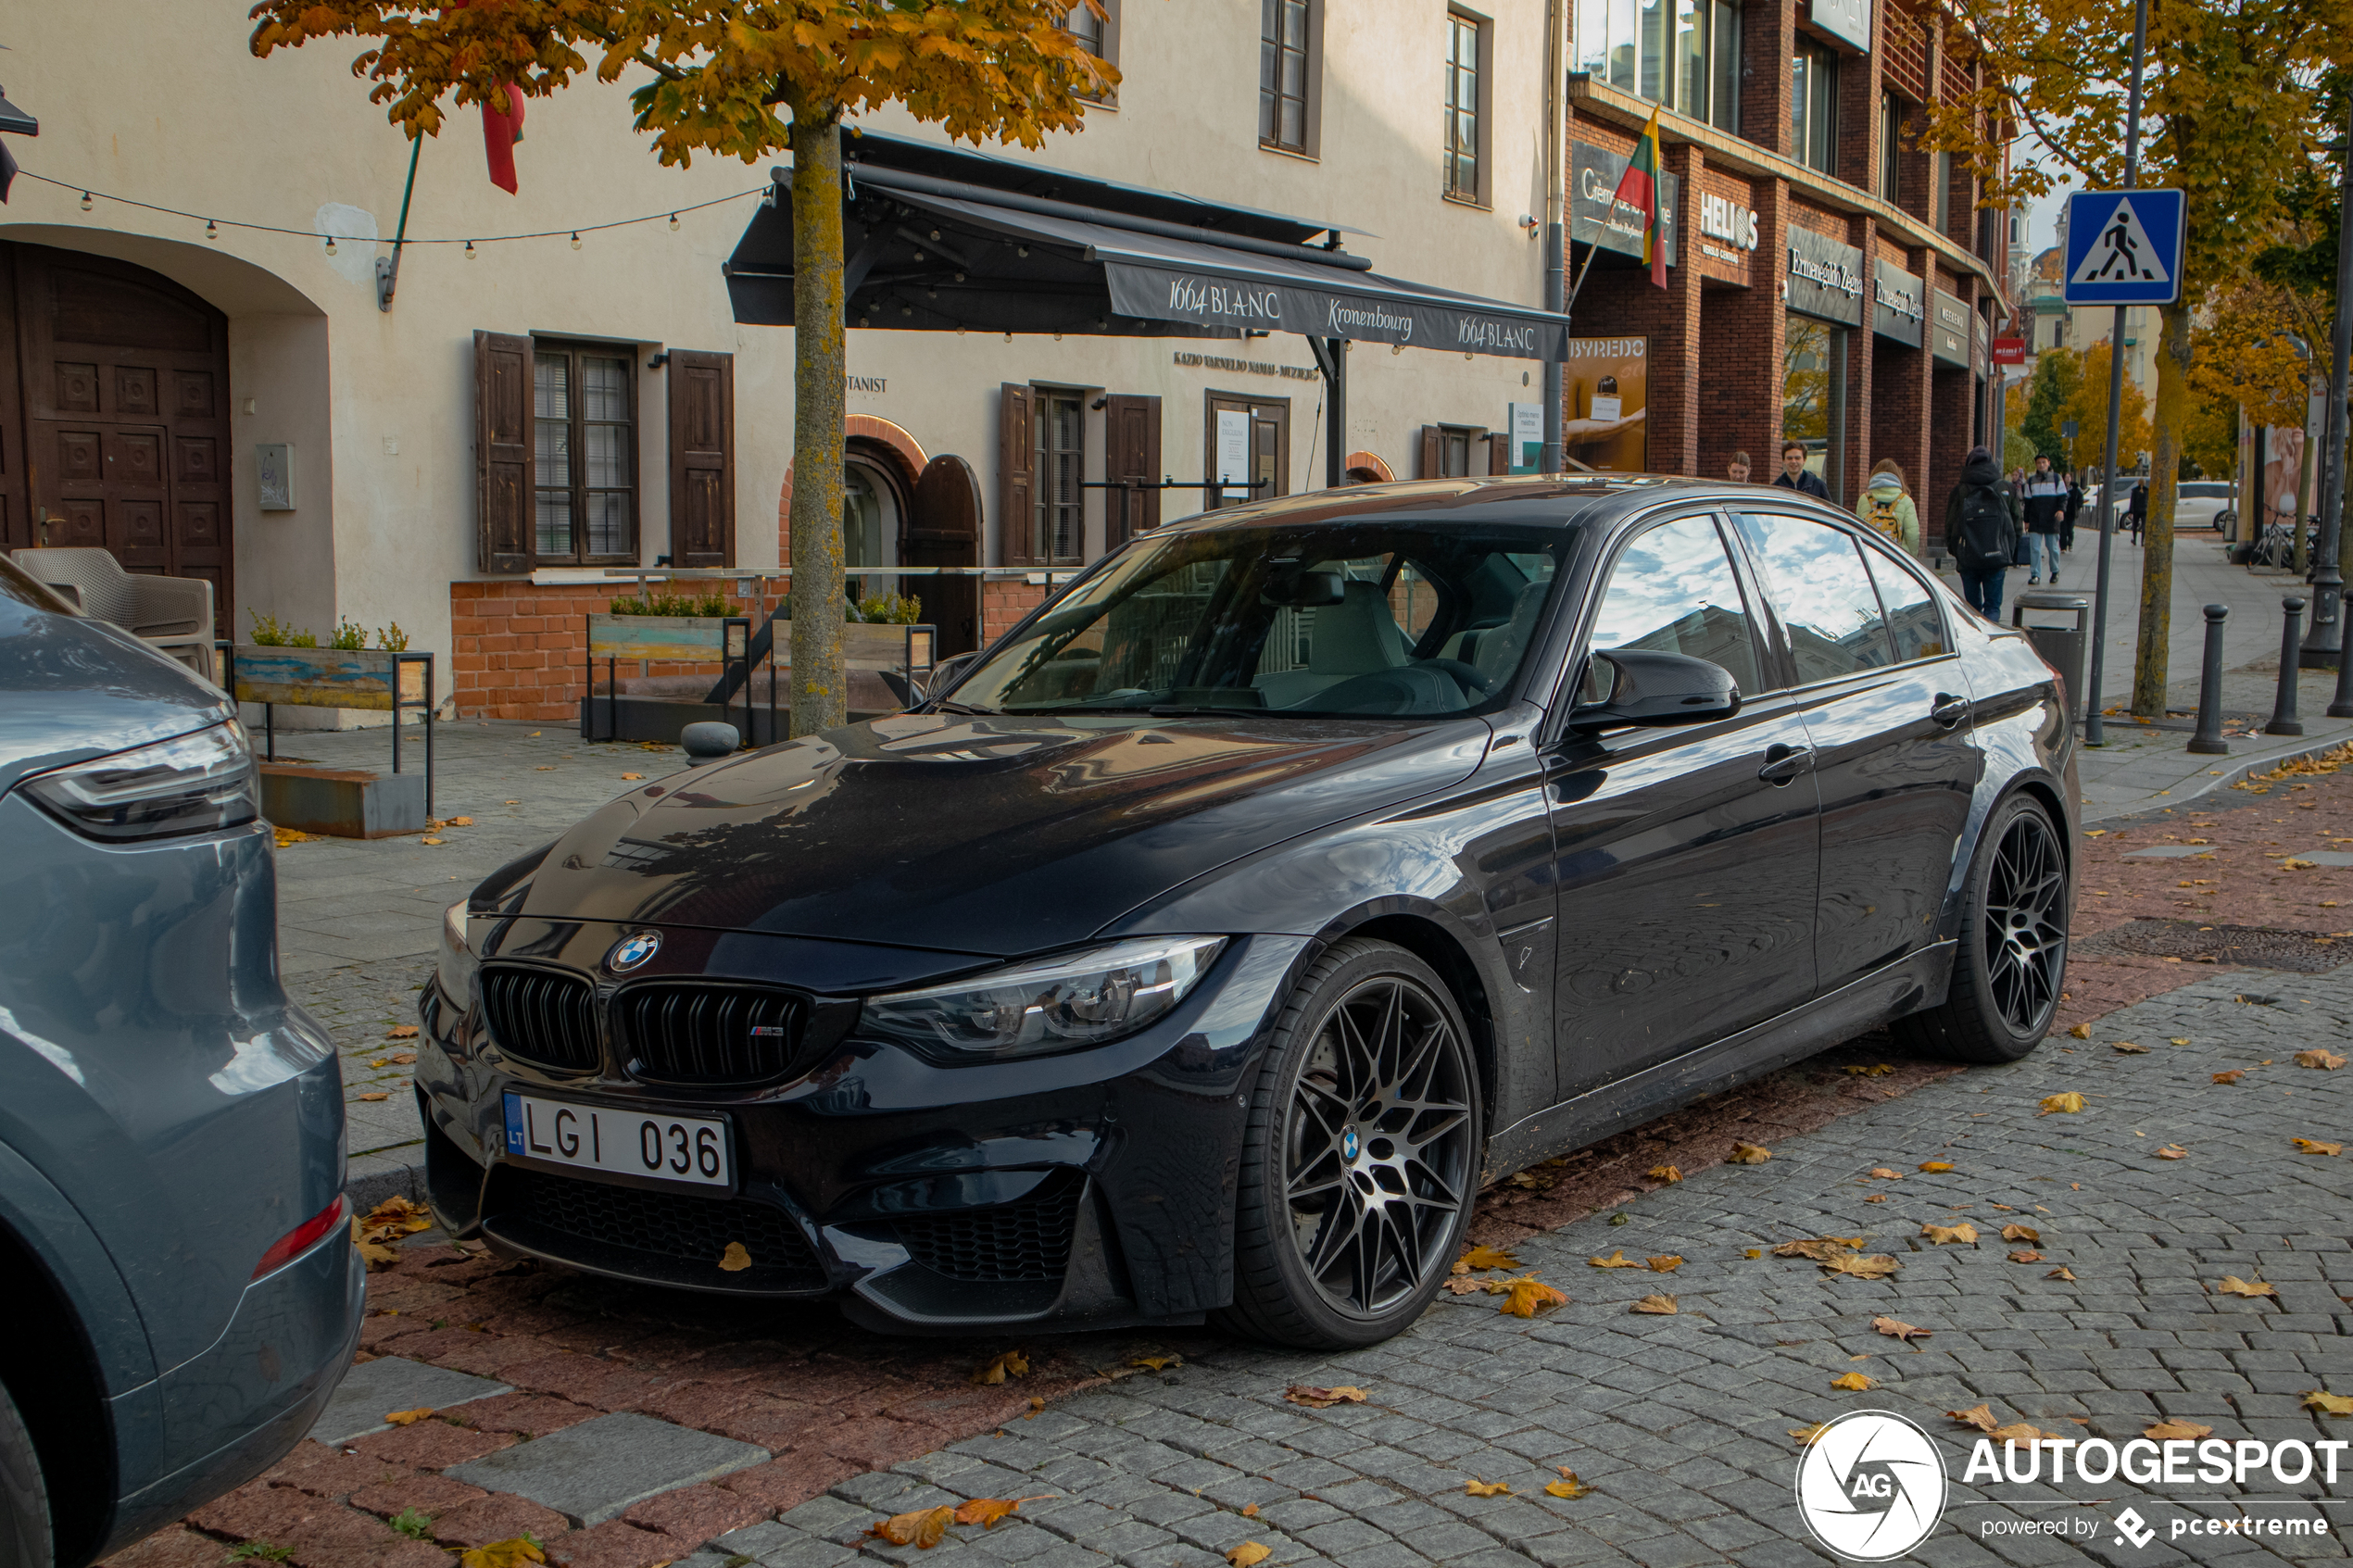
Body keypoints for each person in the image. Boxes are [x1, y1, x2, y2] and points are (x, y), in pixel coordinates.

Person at [1945, 444, 2022, 621]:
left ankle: (1974, 639)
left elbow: (1950, 525)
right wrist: (2010, 550)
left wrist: (1956, 550)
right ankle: (1990, 641)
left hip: (1968, 558)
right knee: (1993, 607)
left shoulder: (1959, 491)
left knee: (1971, 610)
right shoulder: (2005, 488)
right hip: (1996, 557)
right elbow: (2016, 521)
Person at [1854, 459, 1921, 556]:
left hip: (1870, 554)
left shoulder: (1864, 499)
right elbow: (1912, 534)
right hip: (1897, 557)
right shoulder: (1905, 500)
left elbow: (1858, 529)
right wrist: (1911, 557)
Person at [2020, 454, 2066, 584]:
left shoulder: (2057, 478)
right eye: (2039, 463)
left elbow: (2063, 497)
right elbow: (2027, 502)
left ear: (2048, 463)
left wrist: (2061, 510)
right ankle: (2035, 575)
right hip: (2035, 518)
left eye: (2044, 462)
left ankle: (2055, 571)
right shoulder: (2031, 481)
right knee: (2035, 548)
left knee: (2053, 548)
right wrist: (2026, 520)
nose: (2041, 465)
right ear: (2036, 464)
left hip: (2052, 518)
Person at [2059, 469, 2083, 553]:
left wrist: (2077, 507)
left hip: (2071, 512)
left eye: (2069, 477)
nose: (2068, 479)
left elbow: (2080, 499)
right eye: (2066, 477)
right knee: (2063, 530)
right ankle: (2063, 546)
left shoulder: (2075, 489)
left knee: (2070, 530)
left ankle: (2070, 543)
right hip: (2063, 512)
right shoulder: (2061, 487)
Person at [2128, 479, 2148, 545]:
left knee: (2135, 525)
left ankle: (2134, 540)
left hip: (2136, 510)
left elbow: (2132, 501)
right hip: (2144, 510)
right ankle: (2143, 541)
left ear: (2138, 483)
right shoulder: (2147, 490)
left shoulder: (2134, 490)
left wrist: (2130, 511)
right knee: (2144, 525)